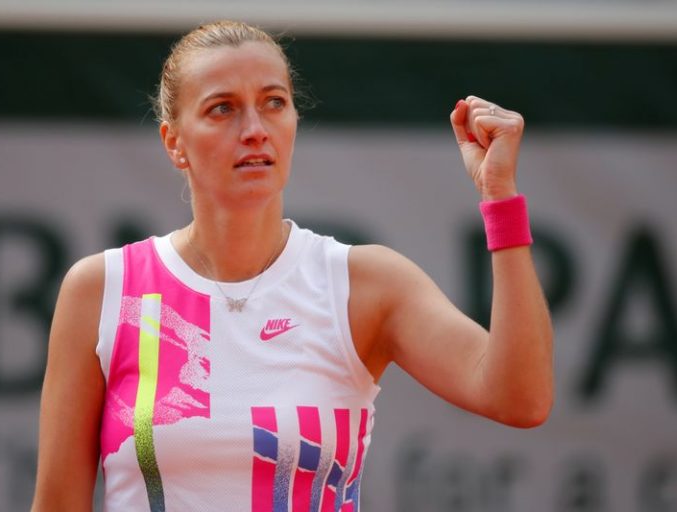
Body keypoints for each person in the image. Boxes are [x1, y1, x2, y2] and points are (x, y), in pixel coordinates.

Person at [31, 20, 553, 512]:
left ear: (294, 122)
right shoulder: (101, 289)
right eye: (222, 109)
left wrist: (499, 197)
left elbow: (519, 397)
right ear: (174, 142)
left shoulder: (363, 284)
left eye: (274, 103)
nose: (255, 129)